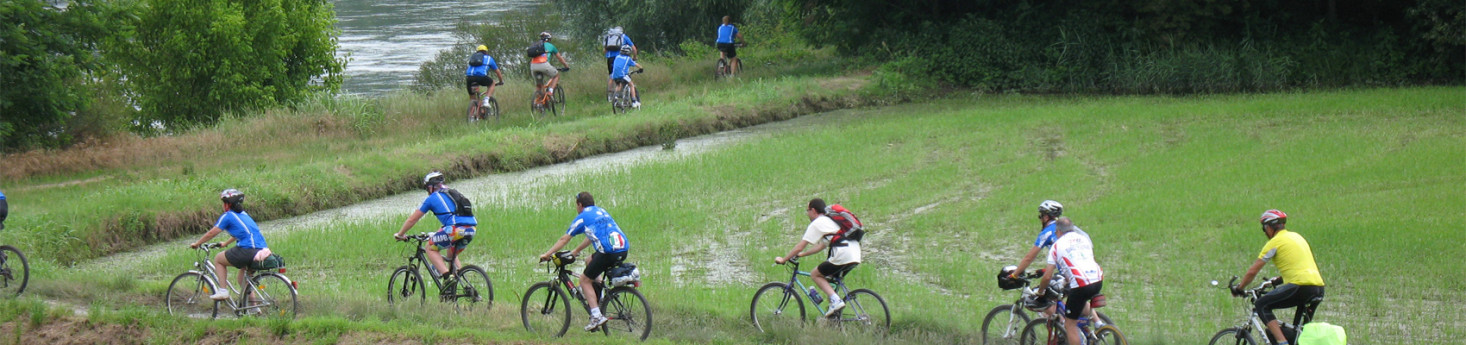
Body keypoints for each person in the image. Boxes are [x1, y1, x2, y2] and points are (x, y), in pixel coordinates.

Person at [538, 192, 631, 331]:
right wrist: (576, 250)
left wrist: (547, 254)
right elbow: (591, 235)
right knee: (589, 260)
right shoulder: (601, 211)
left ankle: (596, 316)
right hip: (623, 249)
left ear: (580, 205)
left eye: (576, 205)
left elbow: (565, 239)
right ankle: (600, 297)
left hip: (608, 252)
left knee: (584, 280)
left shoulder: (582, 217)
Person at [1232, 209, 1325, 345]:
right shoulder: (1296, 237)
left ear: (1269, 227)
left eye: (1264, 229)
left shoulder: (1275, 242)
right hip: (1318, 287)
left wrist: (1239, 288)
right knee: (1298, 336)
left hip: (1300, 287)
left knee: (1261, 304)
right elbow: (1299, 266)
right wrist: (1277, 280)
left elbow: (1253, 271)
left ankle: (1282, 343)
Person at [774, 198, 861, 317]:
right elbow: (821, 246)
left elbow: (800, 246)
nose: (807, 213)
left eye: (807, 210)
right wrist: (802, 255)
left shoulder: (817, 223)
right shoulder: (830, 221)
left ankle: (836, 301)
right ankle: (833, 317)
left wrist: (783, 259)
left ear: (813, 210)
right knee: (831, 281)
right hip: (854, 252)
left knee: (815, 274)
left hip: (843, 254)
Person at [1033, 217, 1104, 345]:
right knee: (1080, 302)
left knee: (1070, 324)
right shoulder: (1083, 238)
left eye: (1056, 232)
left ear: (1059, 231)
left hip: (1081, 283)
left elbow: (1047, 276)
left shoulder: (1056, 246)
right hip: (1098, 279)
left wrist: (1040, 291)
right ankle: (1098, 324)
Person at [188, 189, 269, 301]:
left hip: (248, 250)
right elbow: (243, 233)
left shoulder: (228, 216)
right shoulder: (244, 215)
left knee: (218, 259)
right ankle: (254, 308)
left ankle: (223, 291)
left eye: (223, 203)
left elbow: (212, 233)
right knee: (243, 279)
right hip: (261, 250)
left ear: (228, 204)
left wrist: (197, 243)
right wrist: (225, 243)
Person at [393, 171, 478, 277]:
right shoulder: (452, 193)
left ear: (430, 187)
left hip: (455, 229)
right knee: (451, 255)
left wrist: (400, 234)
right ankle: (461, 281)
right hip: (471, 229)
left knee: (429, 247)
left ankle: (447, 277)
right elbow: (453, 219)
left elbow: (412, 220)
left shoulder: (432, 198)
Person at [1010, 200, 1063, 278]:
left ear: (1046, 217)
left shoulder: (1047, 232)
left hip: (1069, 274)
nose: (1040, 219)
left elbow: (1029, 257)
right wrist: (1047, 270)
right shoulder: (1070, 228)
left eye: (1040, 216)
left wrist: (1014, 275)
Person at [603, 27, 636, 92]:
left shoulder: (609, 37)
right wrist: (634, 57)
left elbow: (604, 50)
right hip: (620, 58)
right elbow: (634, 48)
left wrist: (608, 56)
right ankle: (619, 91)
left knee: (612, 75)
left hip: (610, 58)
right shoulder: (624, 37)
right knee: (623, 74)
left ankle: (610, 92)